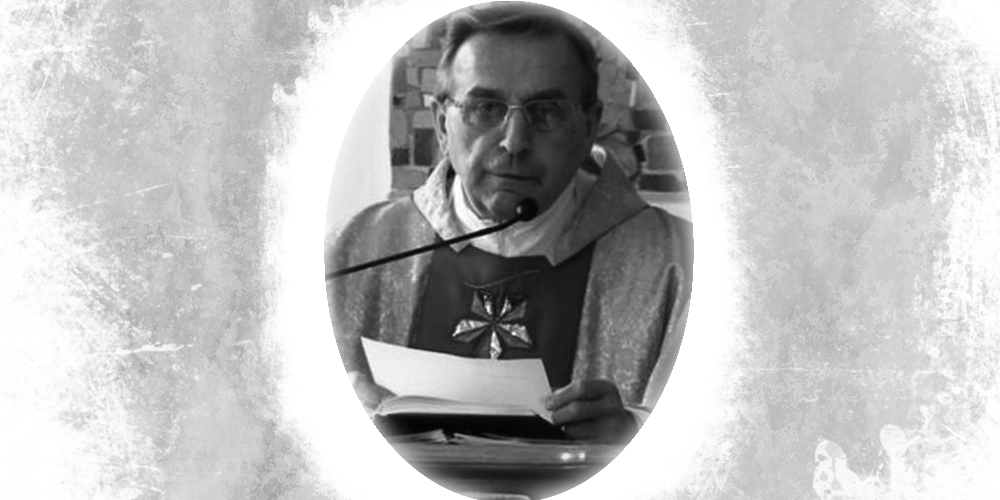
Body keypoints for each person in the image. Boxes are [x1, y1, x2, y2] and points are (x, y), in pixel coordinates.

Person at [326, 2, 692, 444]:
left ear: (589, 126)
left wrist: (635, 434)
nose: (515, 142)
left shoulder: (680, 266)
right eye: (484, 108)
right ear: (442, 124)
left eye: (547, 111)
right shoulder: (350, 254)